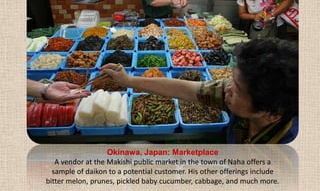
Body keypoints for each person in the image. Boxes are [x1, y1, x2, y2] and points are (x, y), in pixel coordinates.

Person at [100, 38, 298, 144]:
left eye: (237, 88)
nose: (226, 87)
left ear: (272, 114)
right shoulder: (241, 96)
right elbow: (187, 89)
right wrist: (128, 80)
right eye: (232, 80)